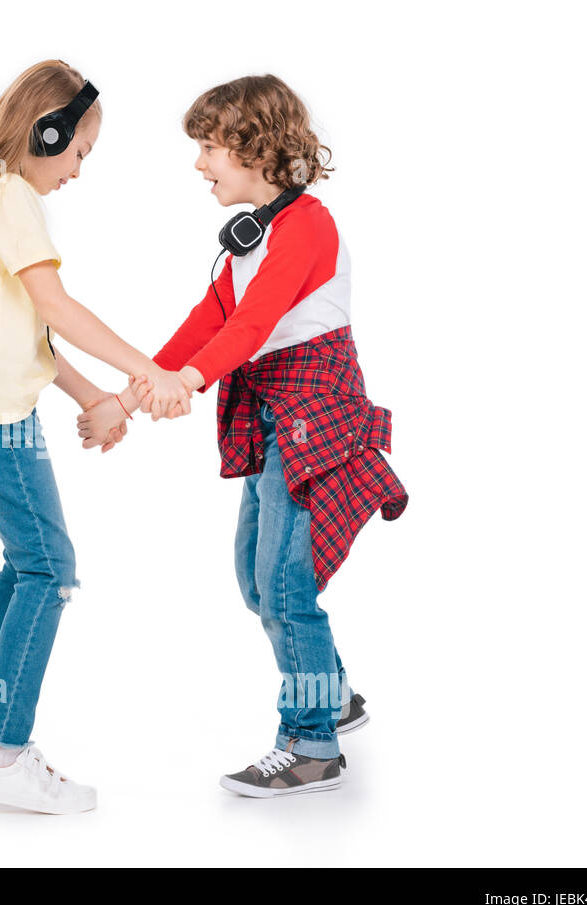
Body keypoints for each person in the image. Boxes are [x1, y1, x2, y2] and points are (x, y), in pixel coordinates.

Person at [78, 74, 408, 797]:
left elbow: (253, 325)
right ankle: (333, 692)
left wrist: (186, 384)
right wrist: (131, 397)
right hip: (270, 417)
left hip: (313, 418)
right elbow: (209, 322)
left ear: (256, 147)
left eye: (209, 148)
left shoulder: (309, 226)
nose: (200, 165)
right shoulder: (249, 240)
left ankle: (314, 742)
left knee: (286, 588)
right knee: (256, 581)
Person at [0, 60, 187, 814]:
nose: (77, 169)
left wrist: (95, 392)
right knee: (50, 567)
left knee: (26, 558)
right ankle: (1, 750)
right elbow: (57, 309)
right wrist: (149, 368)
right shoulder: (13, 199)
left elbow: (24, 332)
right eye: (77, 152)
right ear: (49, 130)